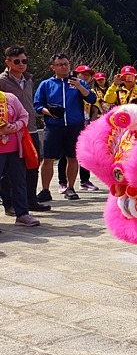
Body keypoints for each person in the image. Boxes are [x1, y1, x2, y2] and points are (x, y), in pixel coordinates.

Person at [34, 53, 97, 202]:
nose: (64, 67)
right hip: (53, 126)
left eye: (66, 64)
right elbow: (37, 105)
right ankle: (45, 190)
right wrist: (48, 112)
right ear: (53, 67)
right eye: (60, 64)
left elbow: (91, 99)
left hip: (74, 126)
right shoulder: (46, 84)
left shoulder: (79, 83)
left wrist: (79, 86)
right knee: (48, 159)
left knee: (73, 158)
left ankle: (71, 188)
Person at [0, 45, 50, 213]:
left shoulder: (28, 79)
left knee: (32, 164)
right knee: (9, 171)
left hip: (31, 129)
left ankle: (31, 200)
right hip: (11, 133)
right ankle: (9, 203)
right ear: (8, 62)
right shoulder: (2, 81)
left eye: (24, 61)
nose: (21, 64)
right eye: (17, 61)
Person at [0, 87, 39, 227]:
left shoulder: (10, 98)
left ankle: (22, 214)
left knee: (19, 181)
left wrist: (16, 126)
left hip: (15, 149)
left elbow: (24, 115)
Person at [61, 65, 101, 192]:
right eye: (82, 74)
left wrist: (92, 124)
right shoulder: (69, 88)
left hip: (85, 124)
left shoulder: (90, 91)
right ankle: (63, 182)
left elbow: (95, 107)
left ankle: (84, 180)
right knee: (65, 154)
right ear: (76, 75)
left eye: (88, 75)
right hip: (70, 124)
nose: (86, 77)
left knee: (84, 153)